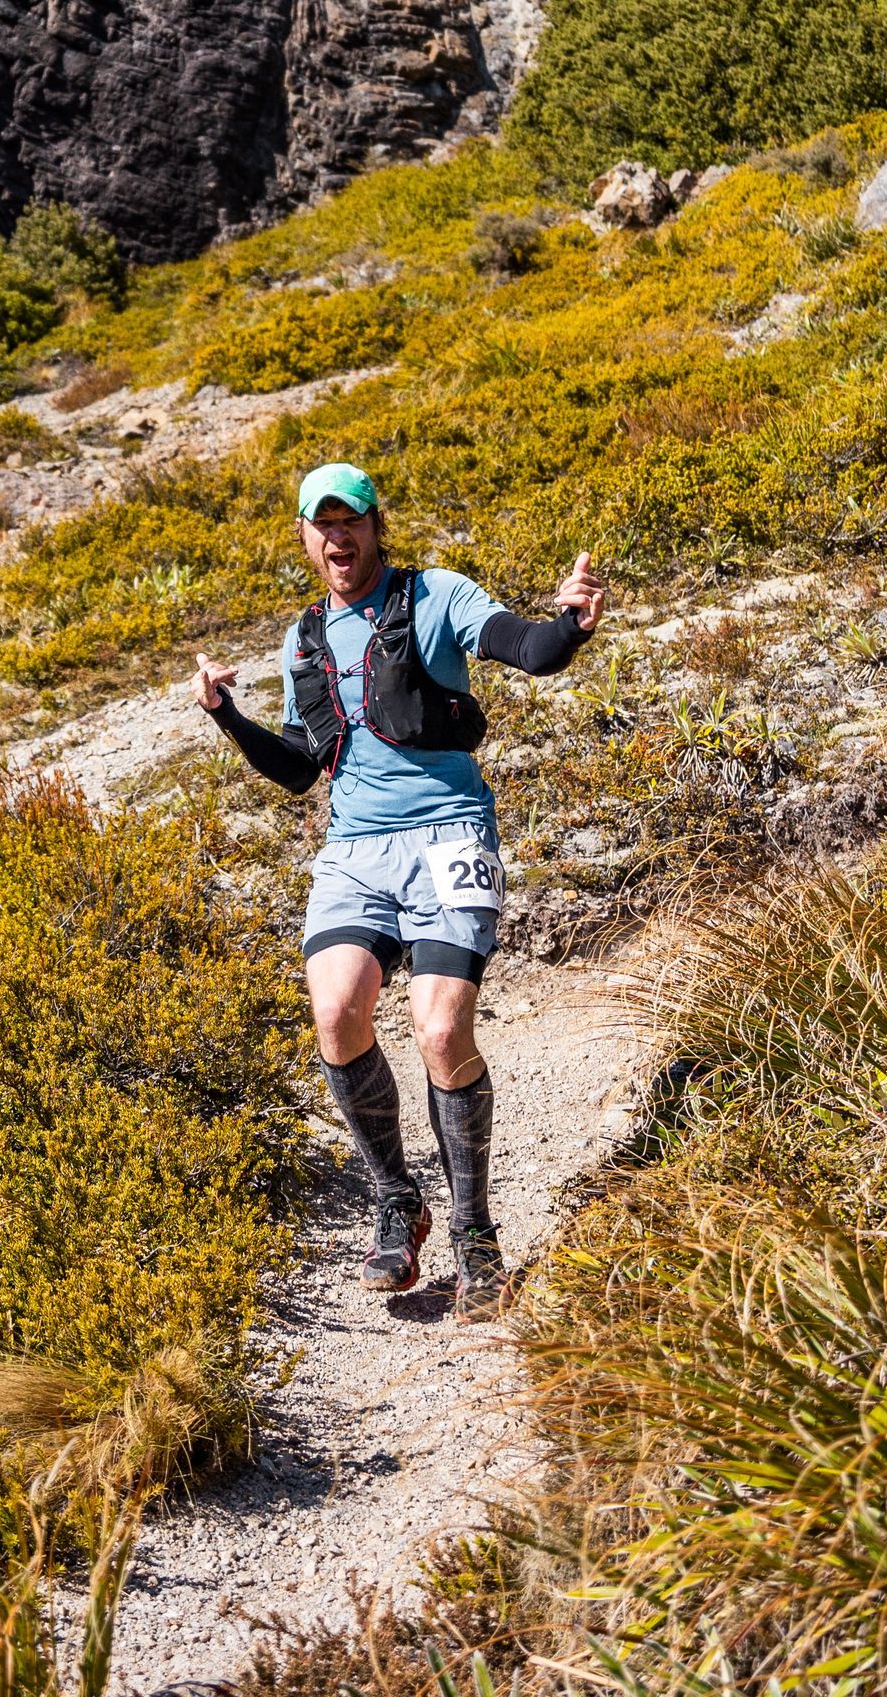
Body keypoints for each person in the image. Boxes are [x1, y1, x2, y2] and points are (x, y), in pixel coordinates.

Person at [194, 462, 604, 1320]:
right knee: (337, 1013)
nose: (338, 538)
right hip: (356, 851)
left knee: (442, 1027)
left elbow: (525, 649)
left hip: (453, 832)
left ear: (377, 526)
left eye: (352, 521)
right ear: (306, 538)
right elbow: (303, 769)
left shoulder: (436, 594)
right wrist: (227, 716)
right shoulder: (304, 638)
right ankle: (397, 1200)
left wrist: (567, 623)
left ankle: (475, 1234)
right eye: (322, 524)